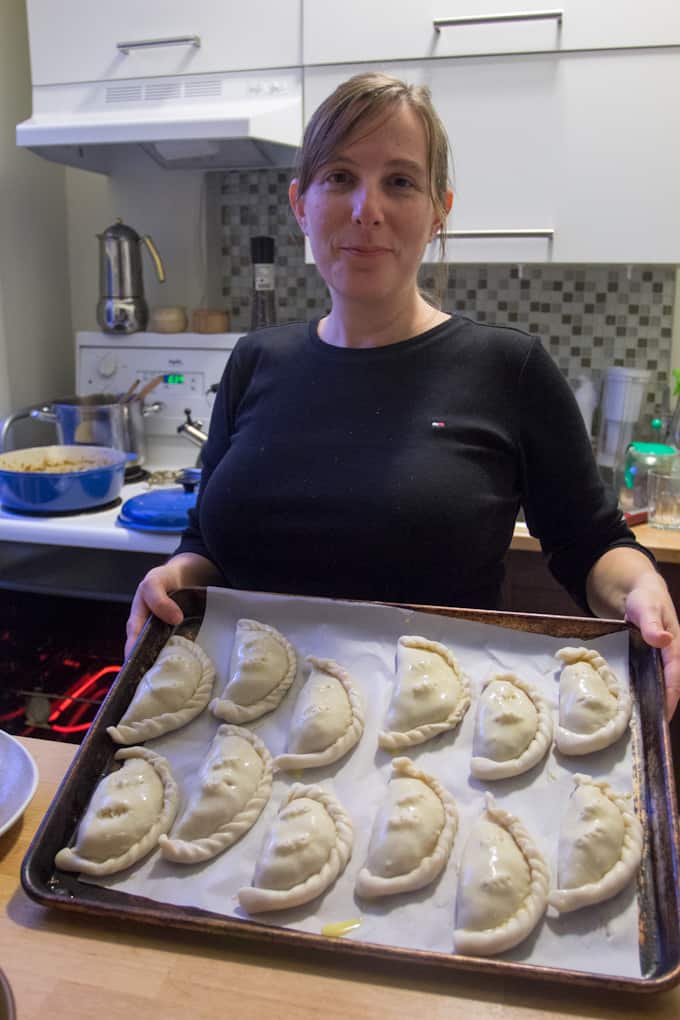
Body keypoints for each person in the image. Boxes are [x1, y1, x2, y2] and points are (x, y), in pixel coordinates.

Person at [125, 71, 680, 718]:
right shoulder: (255, 360)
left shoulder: (508, 367)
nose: (368, 208)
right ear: (300, 202)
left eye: (400, 181)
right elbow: (207, 547)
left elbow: (591, 545)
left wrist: (640, 586)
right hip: (246, 721)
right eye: (339, 177)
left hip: (430, 730)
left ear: (440, 208)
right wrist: (175, 576)